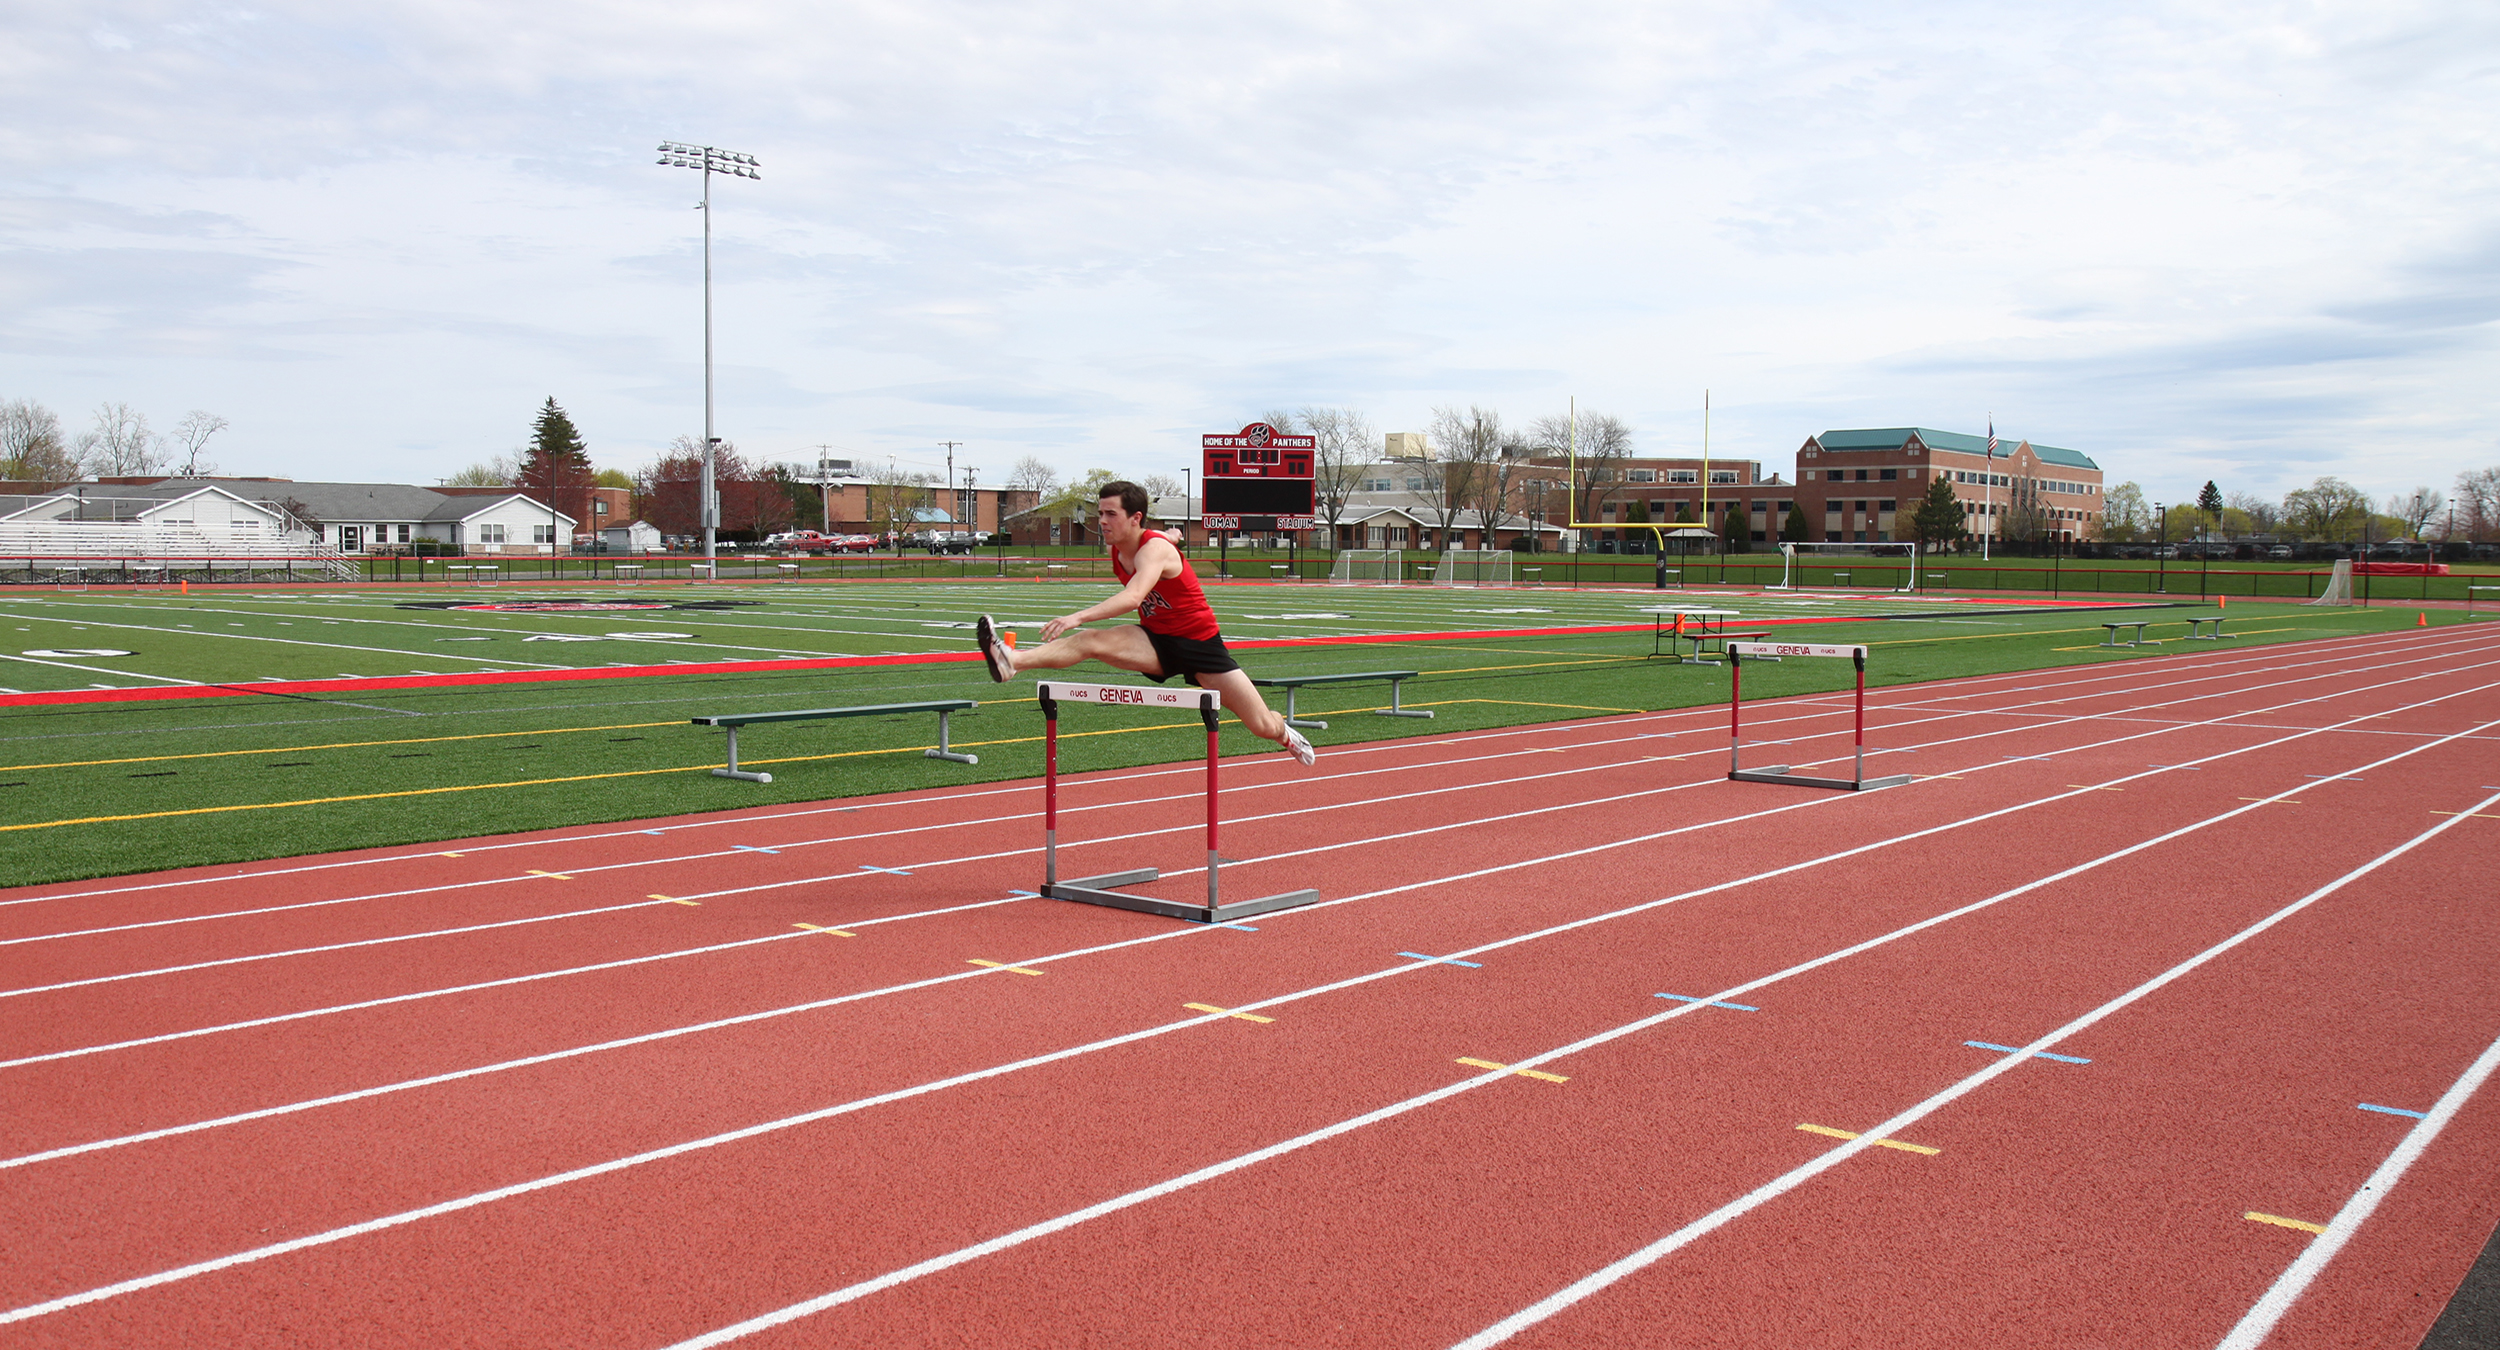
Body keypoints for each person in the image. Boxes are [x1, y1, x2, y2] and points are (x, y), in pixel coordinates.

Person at [975, 480, 1316, 766]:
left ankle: (1285, 733)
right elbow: (1165, 539)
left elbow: (1133, 597)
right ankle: (1012, 662)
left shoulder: (1154, 549)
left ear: (1135, 518)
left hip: (1200, 646)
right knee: (1090, 640)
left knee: (1261, 725)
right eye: (1100, 513)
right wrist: (1173, 534)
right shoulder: (1121, 548)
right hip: (1155, 640)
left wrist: (1076, 616)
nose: (1102, 521)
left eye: (1111, 514)